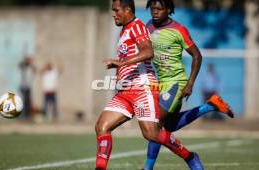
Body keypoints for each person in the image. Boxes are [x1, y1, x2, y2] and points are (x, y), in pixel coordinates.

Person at [95, 0, 204, 169]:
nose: (113, 14)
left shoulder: (138, 26)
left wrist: (120, 64)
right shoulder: (124, 30)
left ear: (127, 9)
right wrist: (119, 75)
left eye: (116, 10)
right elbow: (125, 57)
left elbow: (148, 52)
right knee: (102, 126)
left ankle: (189, 156)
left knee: (152, 134)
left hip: (142, 89)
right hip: (125, 91)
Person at [142, 1, 234, 170]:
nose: (154, 12)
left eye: (159, 9)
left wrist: (190, 84)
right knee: (167, 127)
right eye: (152, 9)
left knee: (155, 125)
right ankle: (210, 106)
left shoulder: (179, 30)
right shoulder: (148, 26)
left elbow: (197, 56)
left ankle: (150, 167)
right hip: (159, 83)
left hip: (175, 83)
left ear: (168, 10)